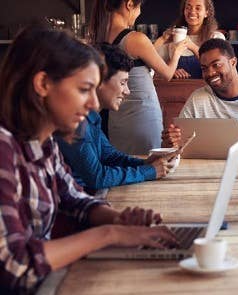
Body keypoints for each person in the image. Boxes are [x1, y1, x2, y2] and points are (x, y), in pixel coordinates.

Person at [0, 26, 177, 293]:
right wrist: (109, 234)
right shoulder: (4, 148)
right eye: (84, 89)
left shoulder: (43, 142)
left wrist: (119, 219)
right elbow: (15, 266)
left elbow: (74, 200)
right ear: (43, 84)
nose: (94, 104)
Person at [56, 44, 177, 194]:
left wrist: (145, 163)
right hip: (79, 204)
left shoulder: (92, 116)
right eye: (122, 82)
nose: (127, 91)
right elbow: (97, 177)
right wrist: (148, 171)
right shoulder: (76, 122)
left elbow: (110, 157)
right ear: (98, 81)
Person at [89, 0, 188, 155]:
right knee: (148, 165)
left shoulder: (101, 35)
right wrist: (177, 52)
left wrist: (161, 40)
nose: (139, 12)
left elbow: (138, 59)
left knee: (125, 166)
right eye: (139, 6)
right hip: (141, 114)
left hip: (116, 119)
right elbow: (167, 74)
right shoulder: (135, 38)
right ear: (129, 4)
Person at [154, 0, 225, 79]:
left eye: (198, 8)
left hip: (207, 89)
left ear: (206, 13)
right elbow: (153, 69)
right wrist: (171, 72)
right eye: (188, 7)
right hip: (177, 89)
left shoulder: (216, 38)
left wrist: (192, 46)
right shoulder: (173, 37)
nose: (192, 11)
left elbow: (218, 68)